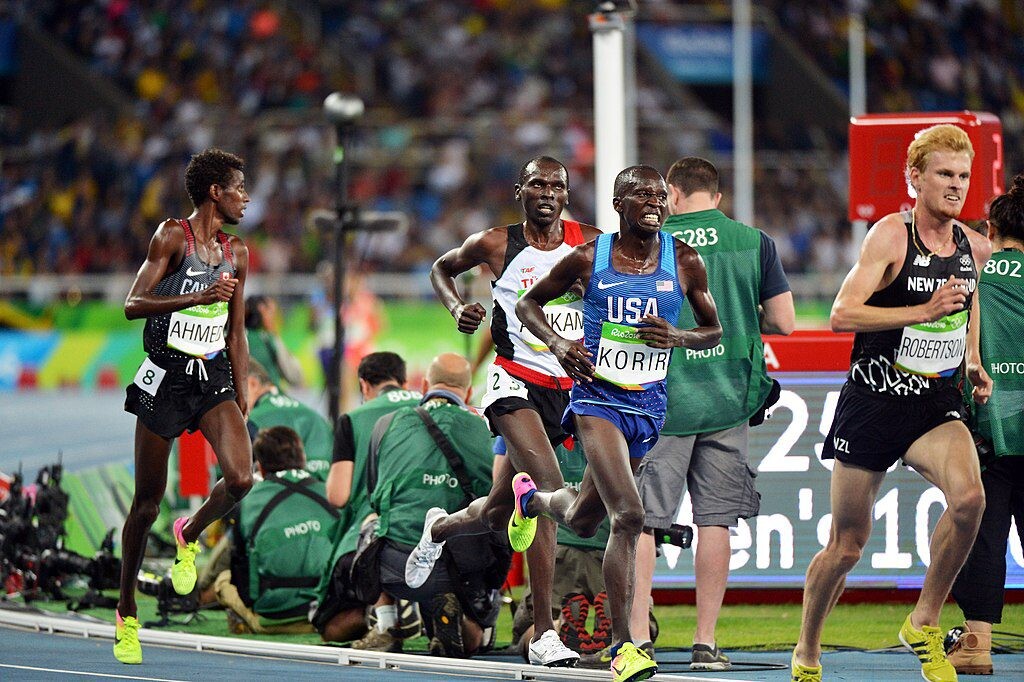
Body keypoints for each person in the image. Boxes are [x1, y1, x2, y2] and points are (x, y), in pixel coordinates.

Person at [791, 124, 992, 682]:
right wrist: (921, 312)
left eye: (963, 176)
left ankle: (923, 621)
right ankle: (807, 649)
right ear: (915, 178)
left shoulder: (973, 246)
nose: (956, 186)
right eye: (944, 174)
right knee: (847, 545)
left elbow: (968, 303)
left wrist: (972, 358)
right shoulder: (890, 236)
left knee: (970, 500)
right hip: (873, 402)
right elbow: (841, 314)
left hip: (933, 403)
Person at [517, 165, 722, 682]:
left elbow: (713, 330)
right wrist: (558, 343)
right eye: (641, 195)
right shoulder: (589, 258)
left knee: (582, 517)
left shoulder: (685, 261)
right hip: (597, 401)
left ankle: (532, 502)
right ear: (618, 204)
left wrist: (677, 336)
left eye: (659, 196)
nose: (654, 202)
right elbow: (527, 304)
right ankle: (625, 646)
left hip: (648, 407)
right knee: (628, 515)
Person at [405, 156, 601, 667]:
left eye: (557, 185)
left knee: (496, 511)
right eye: (537, 184)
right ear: (520, 191)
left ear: (566, 194)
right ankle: (544, 633)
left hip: (566, 385)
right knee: (547, 487)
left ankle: (438, 529)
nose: (547, 192)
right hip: (513, 380)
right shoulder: (495, 243)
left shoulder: (590, 243)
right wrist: (456, 308)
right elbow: (440, 268)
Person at [627, 157, 795, 670]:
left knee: (642, 523)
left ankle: (638, 640)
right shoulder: (754, 242)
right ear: (717, 197)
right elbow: (785, 321)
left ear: (672, 194)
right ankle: (705, 643)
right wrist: (743, 313)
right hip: (729, 399)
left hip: (661, 401)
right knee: (716, 522)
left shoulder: (651, 242)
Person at [116, 148, 253, 664]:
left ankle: (189, 532)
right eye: (239, 188)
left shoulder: (238, 252)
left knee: (241, 478)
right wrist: (197, 297)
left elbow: (236, 331)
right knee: (146, 504)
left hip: (212, 378)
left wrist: (242, 389)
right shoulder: (172, 236)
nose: (246, 198)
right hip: (165, 380)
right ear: (215, 191)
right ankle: (127, 611)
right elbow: (133, 304)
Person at [372, 353, 505, 657]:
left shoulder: (387, 424)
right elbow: (497, 499)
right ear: (468, 393)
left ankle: (387, 624)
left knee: (370, 524)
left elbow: (375, 497)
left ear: (424, 386)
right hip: (461, 564)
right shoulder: (486, 427)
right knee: (472, 640)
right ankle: (468, 621)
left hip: (398, 565)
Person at [947, 173, 1024, 676]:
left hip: (988, 430)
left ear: (991, 231)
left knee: (984, 538)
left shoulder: (971, 278)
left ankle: (976, 646)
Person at [311, 351, 422, 649]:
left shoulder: (353, 419)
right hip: (436, 528)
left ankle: (379, 615)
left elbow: (338, 496)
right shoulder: (429, 407)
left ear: (363, 385)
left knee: (331, 627)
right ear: (404, 382)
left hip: (371, 536)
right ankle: (423, 612)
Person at [213, 426, 340, 634]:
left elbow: (239, 565)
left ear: (260, 467)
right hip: (329, 612)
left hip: (272, 617)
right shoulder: (331, 493)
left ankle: (244, 619)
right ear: (303, 458)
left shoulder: (248, 501)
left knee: (223, 581)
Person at [247, 359, 333, 479]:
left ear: (253, 384)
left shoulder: (252, 420)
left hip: (276, 488)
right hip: (323, 487)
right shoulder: (316, 417)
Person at [245, 294, 304, 389]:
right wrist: (272, 331)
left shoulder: (235, 338)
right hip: (269, 395)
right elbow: (294, 375)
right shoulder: (268, 340)